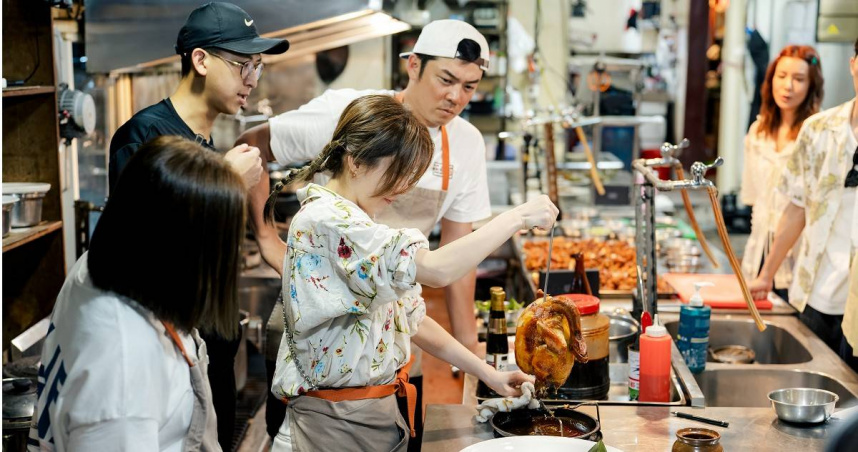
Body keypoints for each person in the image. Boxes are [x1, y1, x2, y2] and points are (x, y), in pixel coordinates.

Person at [236, 20, 494, 442]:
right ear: (413, 66)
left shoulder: (466, 143)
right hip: (321, 319)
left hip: (393, 313)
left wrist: (472, 363)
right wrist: (267, 239)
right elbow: (253, 146)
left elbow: (457, 252)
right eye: (446, 79)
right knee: (301, 424)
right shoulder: (355, 116)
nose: (455, 97)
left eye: (469, 86)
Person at [267, 94, 552, 452]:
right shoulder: (329, 221)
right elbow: (436, 270)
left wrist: (488, 374)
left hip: (370, 415)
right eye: (398, 173)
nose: (403, 189)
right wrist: (517, 218)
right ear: (355, 162)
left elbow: (411, 319)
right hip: (333, 425)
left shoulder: (357, 221)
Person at [105, 3, 289, 447]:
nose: (251, 79)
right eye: (244, 65)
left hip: (211, 357)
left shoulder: (208, 144)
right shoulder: (145, 136)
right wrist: (223, 179)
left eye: (258, 67)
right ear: (201, 60)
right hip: (168, 364)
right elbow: (137, 255)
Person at [28, 136, 246, 451]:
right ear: (185, 248)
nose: (233, 255)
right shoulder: (125, 367)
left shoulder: (95, 267)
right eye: (226, 242)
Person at [749, 37, 858, 371]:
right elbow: (796, 208)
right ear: (854, 64)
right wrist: (766, 274)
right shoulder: (819, 131)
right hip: (817, 291)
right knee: (815, 391)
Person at [740, 45, 823, 302]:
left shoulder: (818, 133)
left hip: (800, 257)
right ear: (771, 79)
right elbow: (755, 199)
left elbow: (808, 208)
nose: (788, 86)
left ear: (812, 85)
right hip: (758, 255)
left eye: (799, 79)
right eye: (782, 76)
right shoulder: (758, 132)